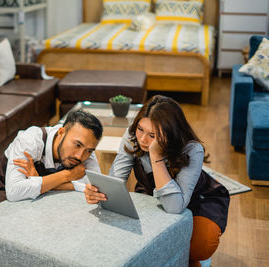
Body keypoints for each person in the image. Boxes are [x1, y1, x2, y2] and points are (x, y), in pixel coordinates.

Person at [84, 95, 230, 267]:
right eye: (140, 129)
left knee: (199, 248)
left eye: (152, 134)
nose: (143, 139)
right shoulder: (133, 135)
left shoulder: (192, 149)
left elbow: (175, 207)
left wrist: (156, 156)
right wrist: (99, 193)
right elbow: (116, 180)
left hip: (199, 199)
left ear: (170, 132)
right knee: (145, 241)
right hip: (152, 194)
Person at [0, 109, 103, 210]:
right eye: (77, 145)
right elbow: (15, 192)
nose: (80, 156)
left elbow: (94, 189)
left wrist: (40, 180)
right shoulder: (30, 140)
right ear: (61, 132)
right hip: (0, 198)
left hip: (43, 199)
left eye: (89, 150)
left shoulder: (85, 148)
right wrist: (68, 175)